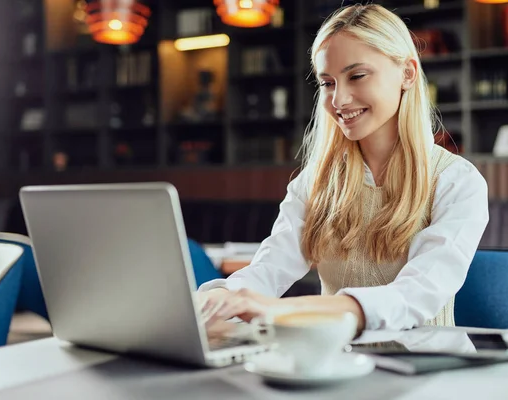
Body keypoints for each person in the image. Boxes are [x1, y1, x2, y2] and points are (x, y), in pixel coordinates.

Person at [197, 4, 489, 335]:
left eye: (357, 76)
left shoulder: (457, 181)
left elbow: (414, 296)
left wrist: (281, 309)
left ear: (407, 73)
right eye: (328, 83)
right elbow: (269, 268)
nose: (339, 100)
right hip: (331, 363)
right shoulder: (315, 182)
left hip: (423, 368)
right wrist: (219, 298)